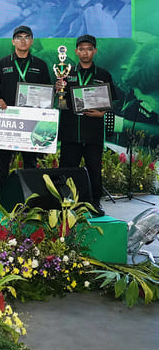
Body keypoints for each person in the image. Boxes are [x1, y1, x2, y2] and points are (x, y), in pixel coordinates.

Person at [0, 25, 51, 200]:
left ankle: (31, 198)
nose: (23, 41)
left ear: (31, 41)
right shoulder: (2, 64)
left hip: (31, 122)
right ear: (13, 41)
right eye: (19, 37)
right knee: (3, 162)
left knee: (30, 161)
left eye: (26, 37)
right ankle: (0, 196)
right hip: (8, 121)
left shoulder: (40, 65)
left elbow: (47, 91)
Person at [58, 34, 113, 217]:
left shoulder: (103, 75)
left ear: (94, 51)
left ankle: (94, 202)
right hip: (70, 131)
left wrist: (101, 113)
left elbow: (111, 100)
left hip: (93, 132)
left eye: (89, 49)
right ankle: (65, 201)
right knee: (67, 168)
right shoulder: (66, 73)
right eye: (81, 49)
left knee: (94, 169)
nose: (85, 52)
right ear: (76, 51)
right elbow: (61, 102)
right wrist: (59, 90)